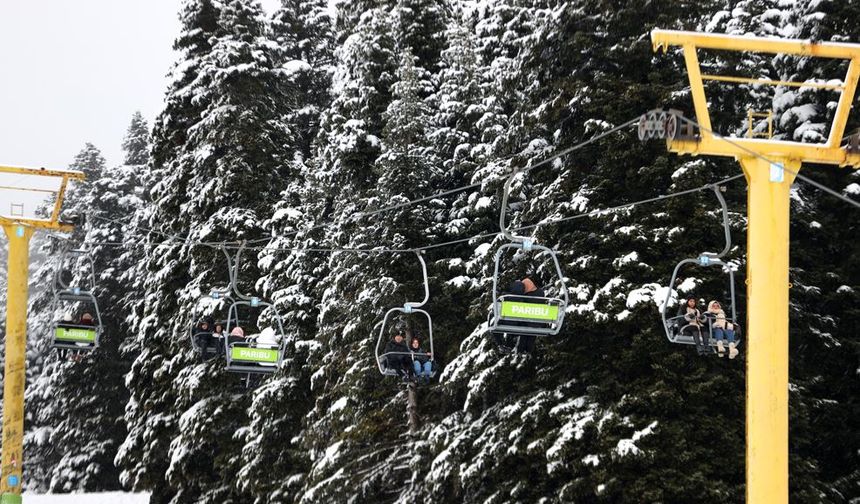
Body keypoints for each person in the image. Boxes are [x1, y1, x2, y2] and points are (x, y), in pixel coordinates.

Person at [517, 277, 545, 353]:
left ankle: (521, 350)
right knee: (531, 335)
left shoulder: (525, 297)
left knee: (524, 334)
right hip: (539, 322)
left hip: (526, 322)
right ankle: (528, 350)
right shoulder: (540, 292)